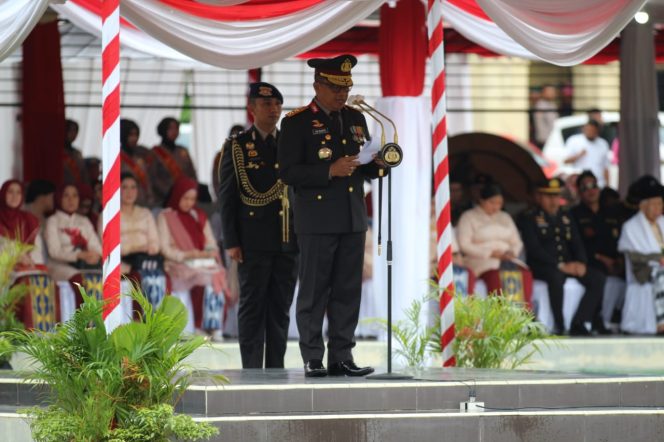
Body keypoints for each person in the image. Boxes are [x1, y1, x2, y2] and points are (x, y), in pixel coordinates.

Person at [278, 54, 386, 377]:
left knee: (347, 289)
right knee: (314, 289)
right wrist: (329, 170)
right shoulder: (296, 122)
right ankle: (313, 356)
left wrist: (378, 165)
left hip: (352, 217)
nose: (341, 94)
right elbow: (287, 172)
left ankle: (342, 355)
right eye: (335, 88)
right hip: (317, 219)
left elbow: (363, 167)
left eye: (345, 87)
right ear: (317, 86)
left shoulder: (355, 118)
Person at [218, 82, 297, 369]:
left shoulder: (290, 142)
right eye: (266, 104)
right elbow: (227, 197)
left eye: (277, 104)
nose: (273, 109)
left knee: (280, 307)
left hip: (288, 239)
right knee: (252, 306)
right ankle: (251, 367)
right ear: (252, 109)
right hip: (252, 240)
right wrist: (231, 241)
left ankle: (276, 366)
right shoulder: (238, 146)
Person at [518, 178, 605, 335]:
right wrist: (559, 265)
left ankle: (579, 321)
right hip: (543, 266)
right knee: (556, 277)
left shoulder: (565, 216)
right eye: (548, 196)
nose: (553, 201)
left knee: (597, 278)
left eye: (556, 196)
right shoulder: (530, 217)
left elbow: (577, 242)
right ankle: (560, 324)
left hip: (568, 264)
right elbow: (534, 249)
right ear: (539, 197)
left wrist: (580, 263)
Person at [157, 177, 230, 340]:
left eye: (192, 199)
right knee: (206, 276)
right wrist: (186, 255)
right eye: (185, 198)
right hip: (177, 263)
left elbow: (210, 242)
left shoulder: (198, 215)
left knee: (216, 274)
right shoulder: (166, 216)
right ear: (177, 195)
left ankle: (213, 326)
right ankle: (198, 326)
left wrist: (209, 252)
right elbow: (164, 248)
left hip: (200, 261)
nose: (189, 203)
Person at [457, 184, 532, 304]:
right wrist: (490, 253)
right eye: (492, 202)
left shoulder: (505, 216)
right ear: (482, 200)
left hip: (507, 259)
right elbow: (464, 244)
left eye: (499, 203)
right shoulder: (468, 216)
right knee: (497, 277)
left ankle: (521, 316)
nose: (496, 207)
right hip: (482, 261)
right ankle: (500, 316)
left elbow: (516, 241)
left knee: (525, 275)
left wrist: (511, 252)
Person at [571, 171, 623, 333]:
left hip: (612, 260)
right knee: (598, 274)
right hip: (588, 260)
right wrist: (602, 258)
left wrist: (618, 260)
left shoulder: (610, 212)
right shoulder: (575, 214)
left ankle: (619, 318)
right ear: (579, 192)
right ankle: (589, 319)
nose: (591, 191)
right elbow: (577, 244)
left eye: (593, 186)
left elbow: (617, 240)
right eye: (585, 188)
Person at [617, 175, 664, 334]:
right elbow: (635, 257)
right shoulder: (630, 227)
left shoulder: (662, 221)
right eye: (655, 204)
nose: (659, 207)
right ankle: (660, 322)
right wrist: (658, 258)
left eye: (660, 203)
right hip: (644, 272)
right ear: (643, 206)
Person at [44, 184, 103, 306]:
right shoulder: (52, 221)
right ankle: (83, 322)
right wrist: (79, 255)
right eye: (66, 195)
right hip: (60, 266)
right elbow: (54, 251)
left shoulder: (84, 221)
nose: (71, 200)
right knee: (79, 281)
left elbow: (96, 246)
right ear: (59, 198)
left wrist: (95, 255)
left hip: (85, 265)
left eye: (75, 196)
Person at [120, 173, 167, 310]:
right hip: (122, 263)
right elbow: (107, 246)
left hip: (145, 262)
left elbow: (155, 244)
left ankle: (159, 324)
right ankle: (138, 321)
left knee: (162, 278)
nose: (129, 192)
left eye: (133, 187)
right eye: (125, 187)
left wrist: (149, 248)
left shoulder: (145, 213)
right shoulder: (110, 214)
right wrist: (136, 248)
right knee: (137, 278)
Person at [149, 117, 198, 206]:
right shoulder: (155, 152)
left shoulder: (183, 151)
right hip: (164, 198)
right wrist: (169, 192)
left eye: (177, 128)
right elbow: (153, 177)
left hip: (185, 196)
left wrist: (191, 189)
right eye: (171, 128)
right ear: (163, 130)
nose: (174, 131)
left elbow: (192, 173)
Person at [0, 180, 43, 265]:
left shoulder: (29, 219)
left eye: (18, 192)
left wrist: (34, 265)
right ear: (3, 194)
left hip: (26, 266)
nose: (14, 196)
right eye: (10, 192)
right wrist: (18, 257)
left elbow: (36, 249)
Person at [564, 119, 611, 188]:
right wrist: (578, 155)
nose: (590, 132)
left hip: (598, 183)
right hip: (580, 183)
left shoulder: (603, 143)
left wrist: (607, 185)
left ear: (597, 131)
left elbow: (606, 167)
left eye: (592, 130)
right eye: (588, 130)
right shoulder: (574, 141)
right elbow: (566, 161)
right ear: (583, 129)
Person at [120, 119, 155, 207]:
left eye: (136, 135)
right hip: (123, 204)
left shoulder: (143, 153)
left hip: (143, 201)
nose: (134, 138)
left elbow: (148, 180)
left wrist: (150, 197)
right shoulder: (114, 157)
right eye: (131, 135)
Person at [212, 124, 245, 197]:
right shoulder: (220, 156)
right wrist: (221, 197)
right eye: (233, 135)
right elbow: (216, 180)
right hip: (226, 195)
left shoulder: (250, 155)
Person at [63, 119, 90, 187]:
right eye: (70, 130)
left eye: (75, 131)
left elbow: (84, 175)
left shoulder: (77, 153)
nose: (73, 134)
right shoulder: (57, 153)